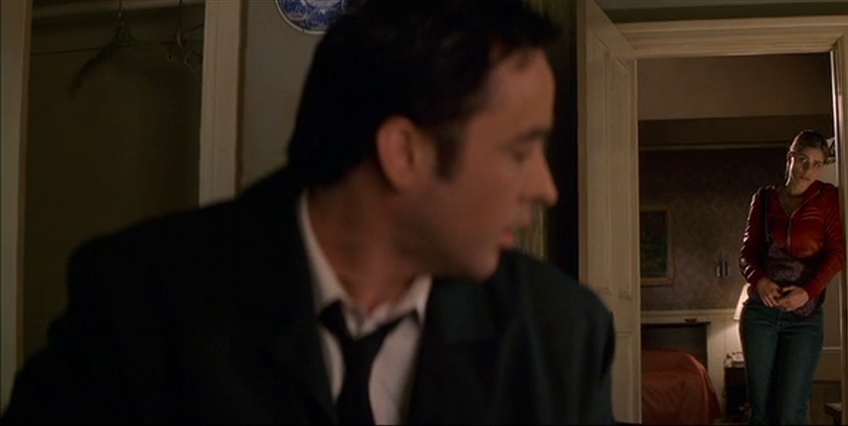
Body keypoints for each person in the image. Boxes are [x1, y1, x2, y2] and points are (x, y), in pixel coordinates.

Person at [1, 0, 615, 424]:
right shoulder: (137, 305)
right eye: (520, 151)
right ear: (404, 152)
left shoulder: (561, 334)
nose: (547, 189)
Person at [737, 129, 845, 425]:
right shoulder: (764, 199)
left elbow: (838, 253)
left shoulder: (828, 198)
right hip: (761, 313)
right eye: (803, 160)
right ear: (790, 159)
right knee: (761, 411)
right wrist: (760, 280)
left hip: (804, 319)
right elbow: (747, 253)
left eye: (817, 164)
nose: (808, 170)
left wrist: (809, 291)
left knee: (791, 411)